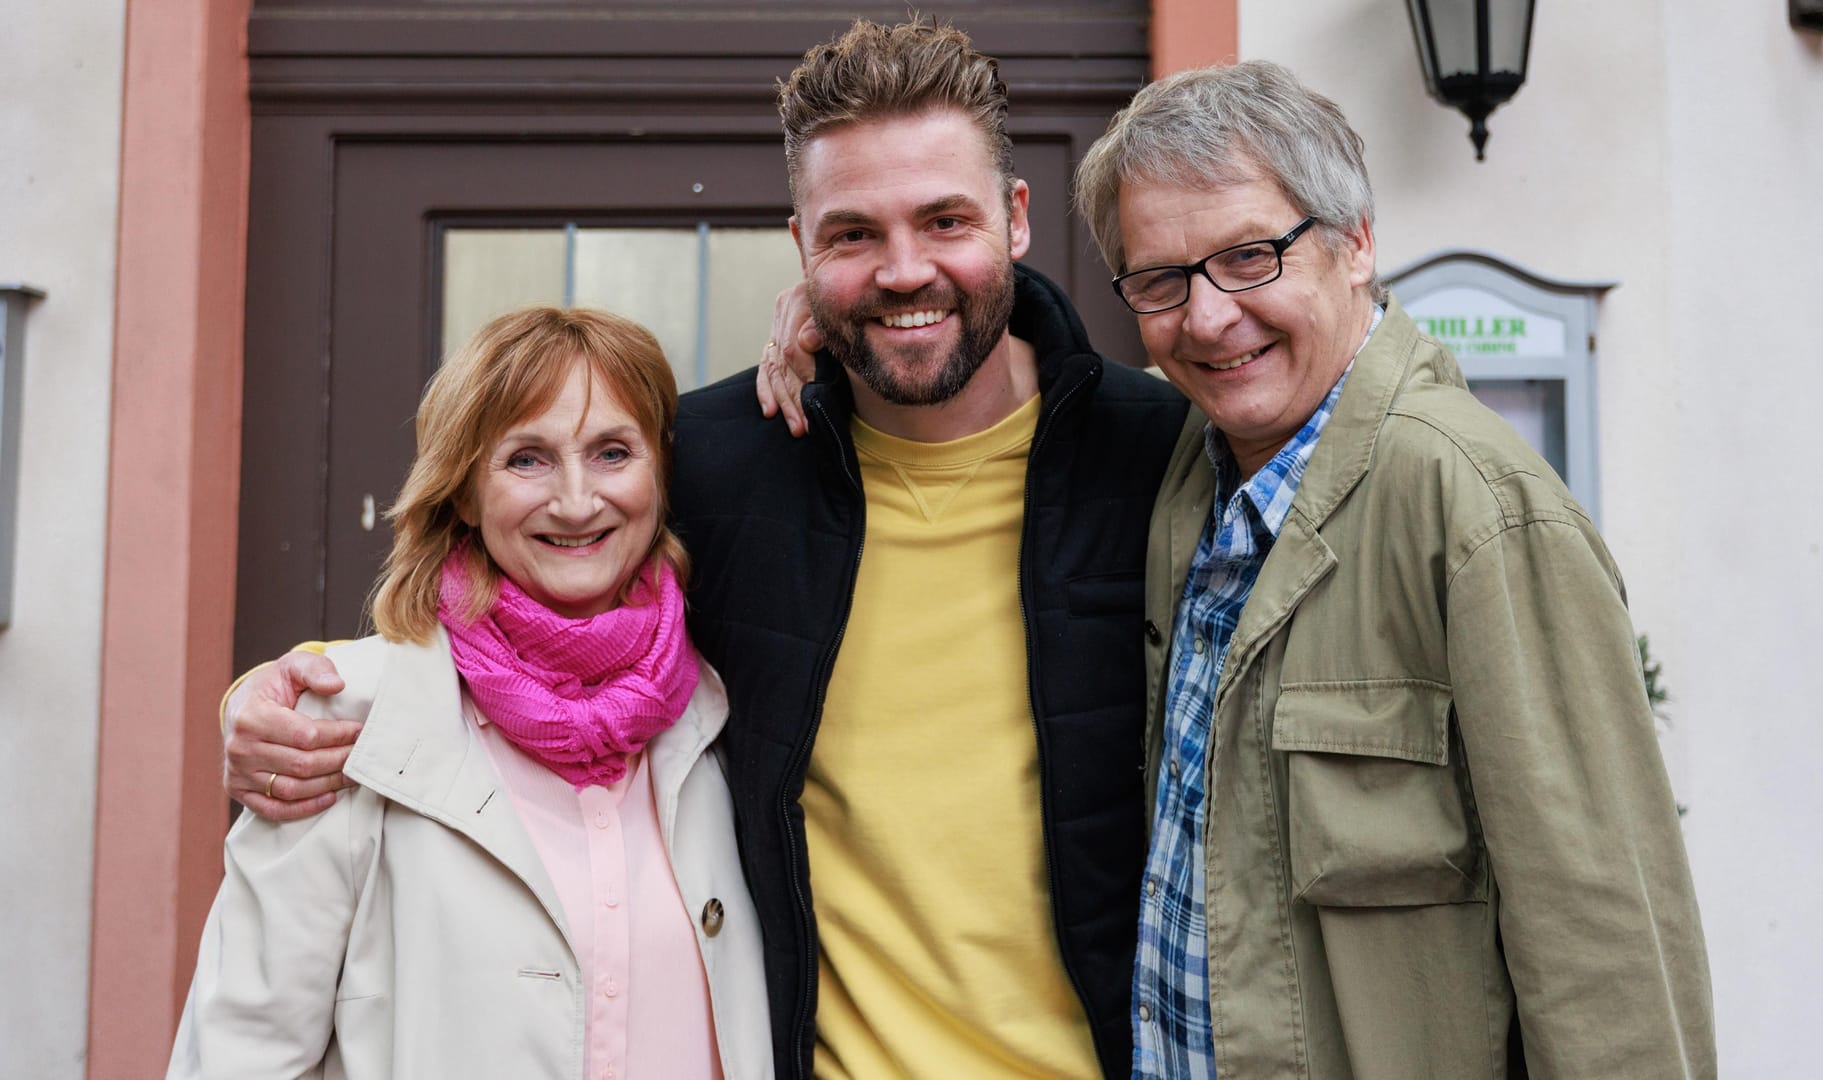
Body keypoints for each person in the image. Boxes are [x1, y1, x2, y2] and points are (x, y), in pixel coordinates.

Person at [216, 19, 1191, 1080]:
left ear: (1013, 219)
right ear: (803, 248)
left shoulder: (1161, 458)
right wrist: (280, 699)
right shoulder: (725, 463)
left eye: (944, 219)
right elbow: (530, 594)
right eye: (853, 233)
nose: (904, 269)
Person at [1068, 61, 1714, 1077]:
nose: (1206, 318)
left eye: (1249, 257)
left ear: (1355, 243)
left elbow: (1608, 962)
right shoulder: (1186, 485)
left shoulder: (1477, 512)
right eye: (1161, 279)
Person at [172, 307, 771, 1078]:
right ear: (462, 491)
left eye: (613, 452)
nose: (577, 499)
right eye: (528, 460)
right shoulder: (346, 720)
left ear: (660, 474)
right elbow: (240, 1050)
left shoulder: (723, 706)